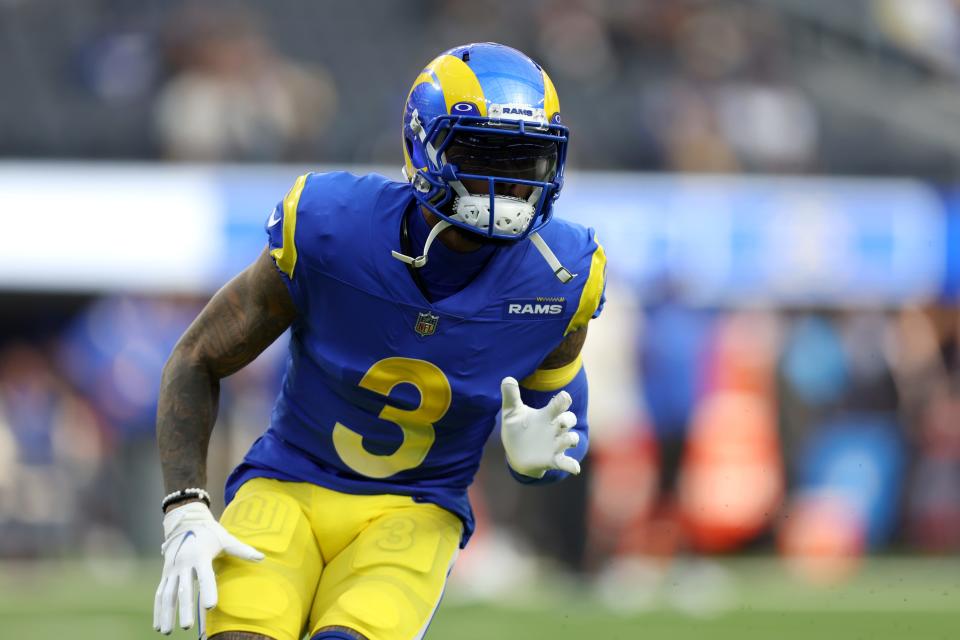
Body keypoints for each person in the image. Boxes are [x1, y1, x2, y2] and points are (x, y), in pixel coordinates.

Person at [152, 42, 606, 640]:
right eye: (480, 152)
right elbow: (198, 356)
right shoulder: (330, 226)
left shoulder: (563, 273)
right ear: (425, 146)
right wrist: (185, 506)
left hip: (415, 509)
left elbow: (562, 437)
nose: (506, 181)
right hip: (287, 486)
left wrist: (534, 465)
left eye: (527, 159)